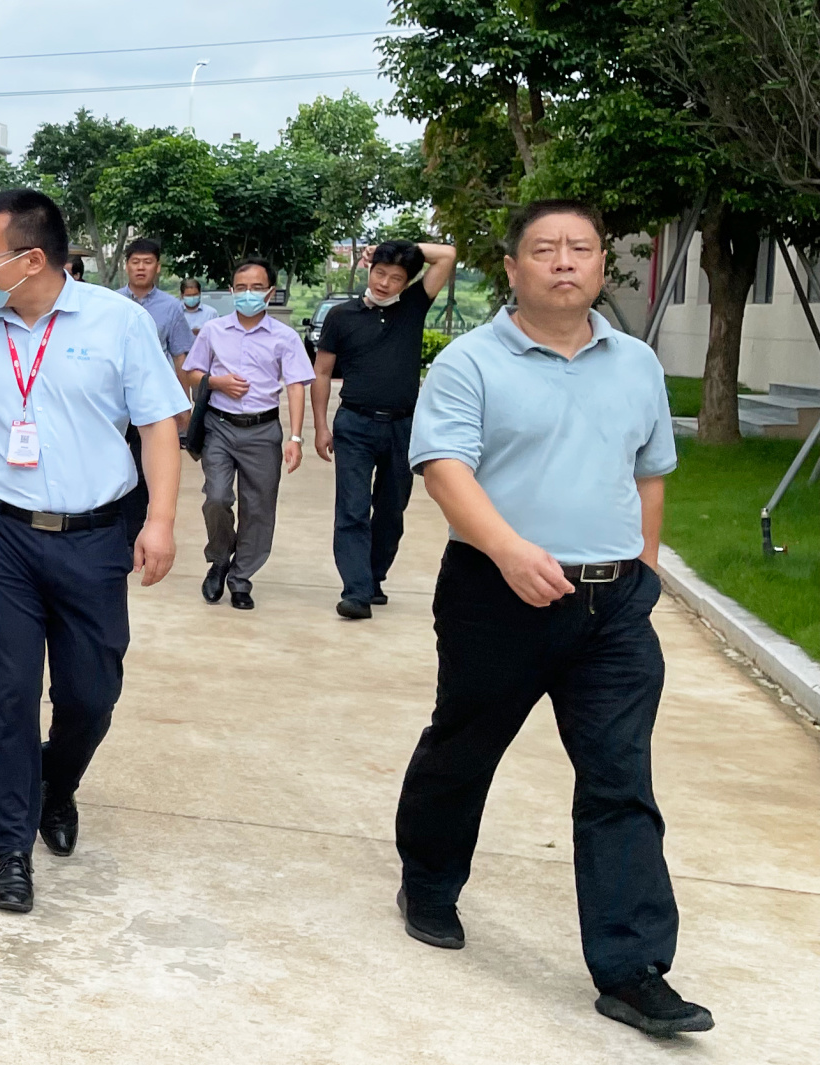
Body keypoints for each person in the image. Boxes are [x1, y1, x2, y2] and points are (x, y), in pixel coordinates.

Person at [393, 200, 710, 1036]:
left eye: (581, 248)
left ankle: (633, 966)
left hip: (613, 609)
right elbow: (446, 469)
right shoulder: (470, 362)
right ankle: (428, 880)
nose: (564, 261)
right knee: (464, 745)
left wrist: (642, 570)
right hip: (496, 596)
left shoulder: (636, 363)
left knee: (619, 779)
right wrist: (507, 550)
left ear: (603, 264)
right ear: (513, 268)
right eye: (544, 250)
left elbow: (651, 471)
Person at [0, 189, 186, 914]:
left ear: (32, 260)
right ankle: (10, 847)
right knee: (3, 696)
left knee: (92, 695)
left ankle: (55, 784)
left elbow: (160, 425)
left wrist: (160, 520)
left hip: (95, 535)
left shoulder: (118, 322)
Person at [312, 238, 457, 619]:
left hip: (403, 427)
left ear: (406, 281)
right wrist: (320, 426)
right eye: (380, 273)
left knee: (392, 510)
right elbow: (322, 373)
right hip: (354, 424)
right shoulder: (341, 316)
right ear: (368, 270)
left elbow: (448, 255)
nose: (385, 283)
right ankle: (356, 591)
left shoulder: (413, 306)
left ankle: (374, 579)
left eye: (396, 277)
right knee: (353, 509)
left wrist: (395, 248)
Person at [180, 258, 311, 610]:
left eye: (256, 288)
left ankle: (241, 578)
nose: (248, 294)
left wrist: (295, 439)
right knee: (217, 497)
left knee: (259, 508)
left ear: (270, 292)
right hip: (219, 427)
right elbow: (192, 372)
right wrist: (216, 382)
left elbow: (297, 386)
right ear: (231, 291)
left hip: (263, 430)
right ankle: (220, 557)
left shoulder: (285, 337)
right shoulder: (214, 330)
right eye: (241, 288)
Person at [116, 237, 194, 365]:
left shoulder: (171, 306)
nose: (141, 267)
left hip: (156, 381)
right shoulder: (113, 301)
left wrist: (183, 385)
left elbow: (180, 355)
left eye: (147, 262)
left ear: (157, 267)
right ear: (126, 266)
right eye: (135, 262)